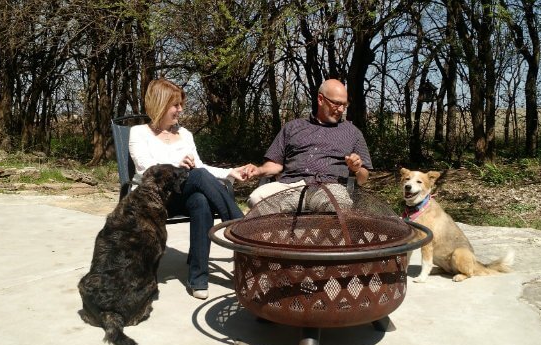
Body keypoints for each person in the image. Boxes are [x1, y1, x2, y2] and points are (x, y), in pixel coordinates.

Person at [129, 78, 248, 300]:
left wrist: (229, 172)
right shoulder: (139, 132)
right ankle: (242, 231)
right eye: (176, 105)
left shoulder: (184, 134)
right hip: (156, 198)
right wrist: (176, 167)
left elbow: (200, 168)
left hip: (183, 193)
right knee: (197, 178)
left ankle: (198, 278)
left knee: (201, 200)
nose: (180, 110)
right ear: (161, 104)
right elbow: (146, 168)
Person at [245, 79, 372, 211]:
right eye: (336, 103)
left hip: (329, 187)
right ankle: (282, 231)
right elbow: (275, 164)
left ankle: (322, 232)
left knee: (339, 206)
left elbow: (363, 178)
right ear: (321, 99)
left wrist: (356, 169)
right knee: (257, 198)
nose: (340, 109)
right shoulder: (292, 127)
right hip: (291, 186)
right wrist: (258, 171)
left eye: (344, 105)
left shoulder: (353, 133)